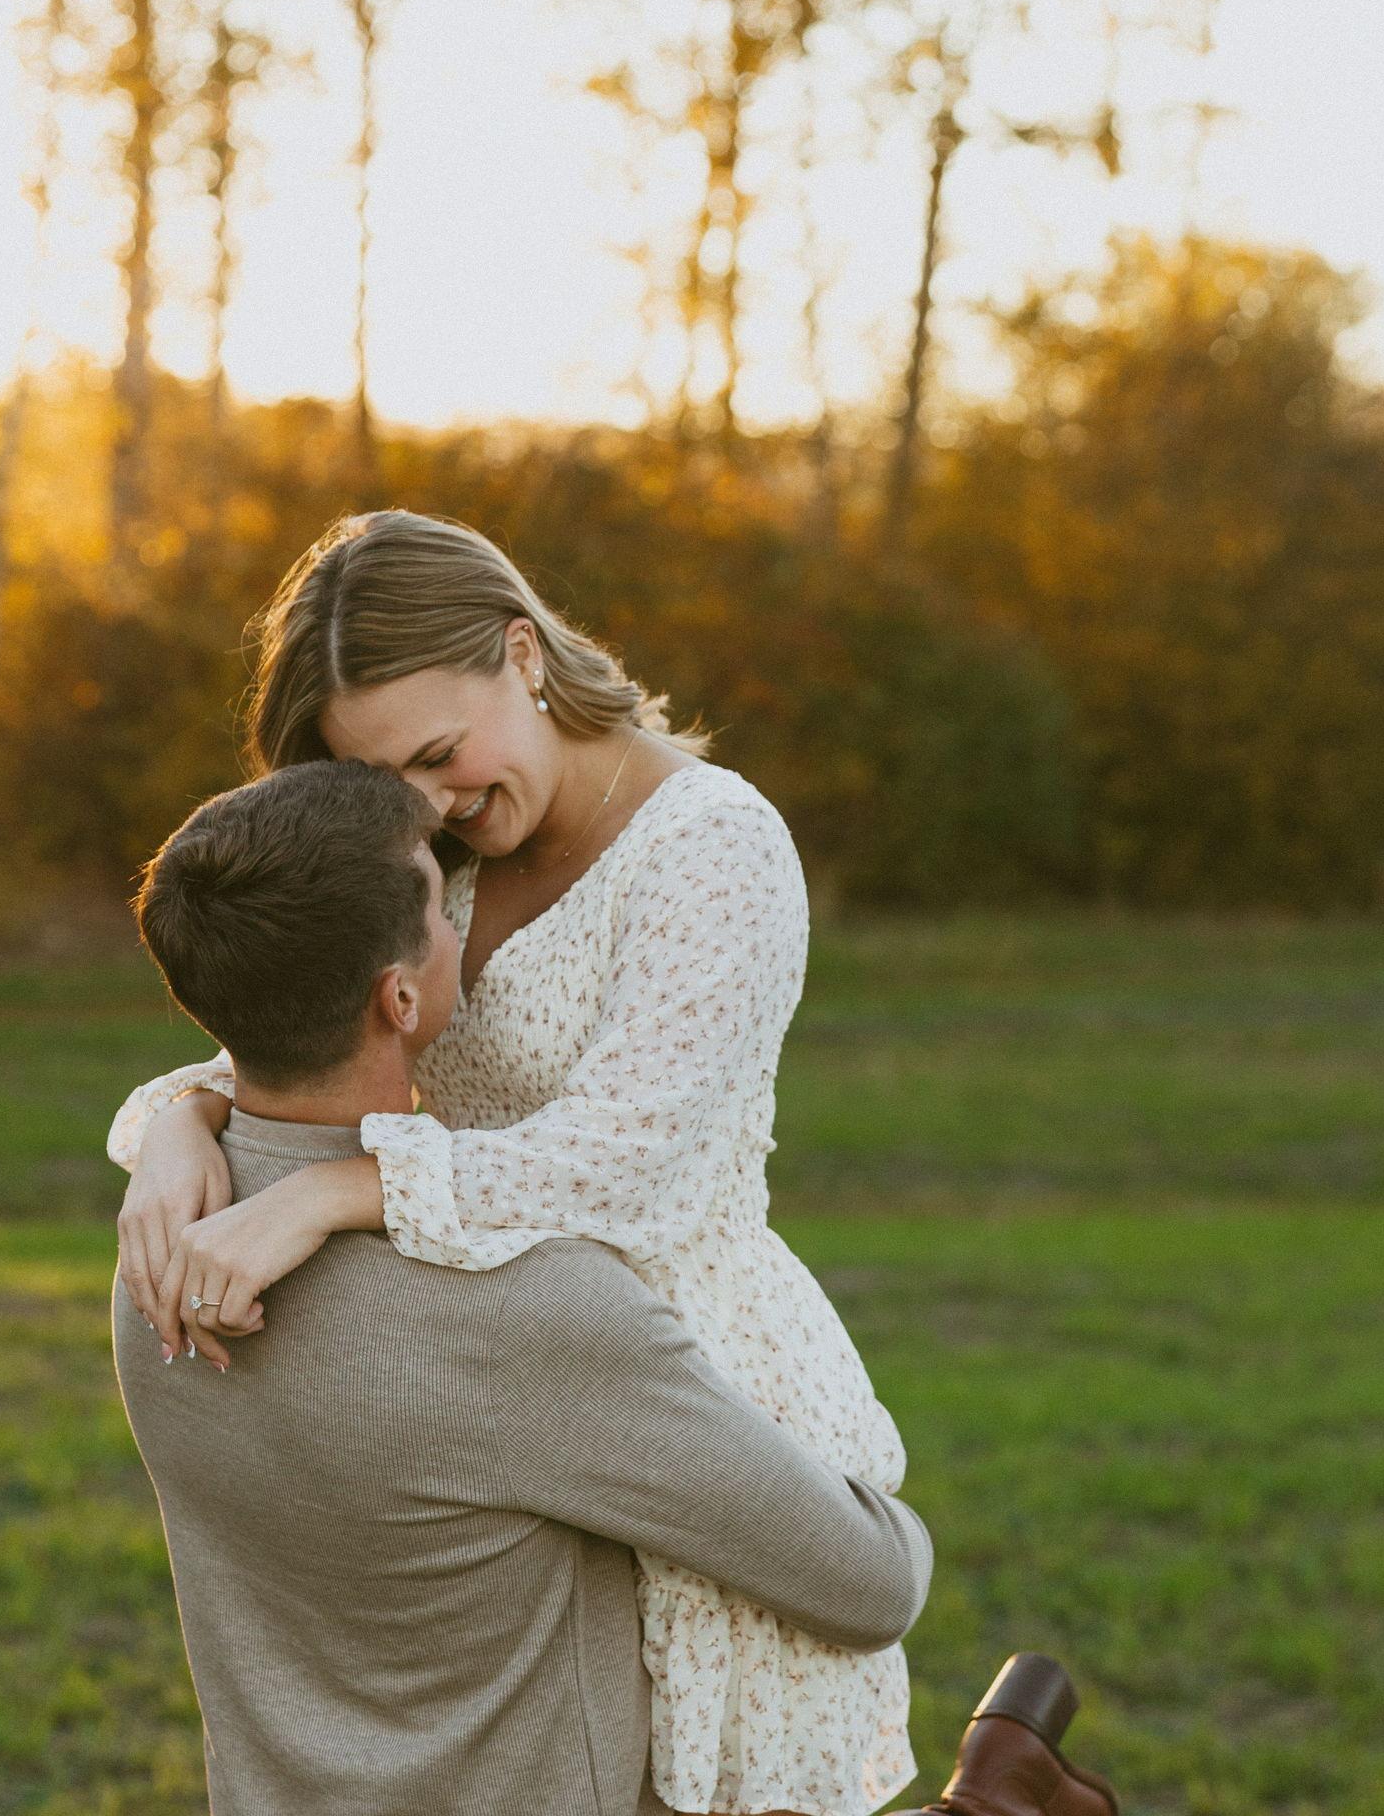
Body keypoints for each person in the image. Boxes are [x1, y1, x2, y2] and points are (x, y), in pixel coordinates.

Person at [110, 508, 913, 1815]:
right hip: (465, 1351)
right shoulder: (441, 845)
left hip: (659, 1355)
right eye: (387, 782)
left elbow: (625, 1164)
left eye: (438, 755)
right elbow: (312, 1010)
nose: (431, 805)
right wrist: (177, 1127)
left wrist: (336, 1190)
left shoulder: (712, 846)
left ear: (523, 652)